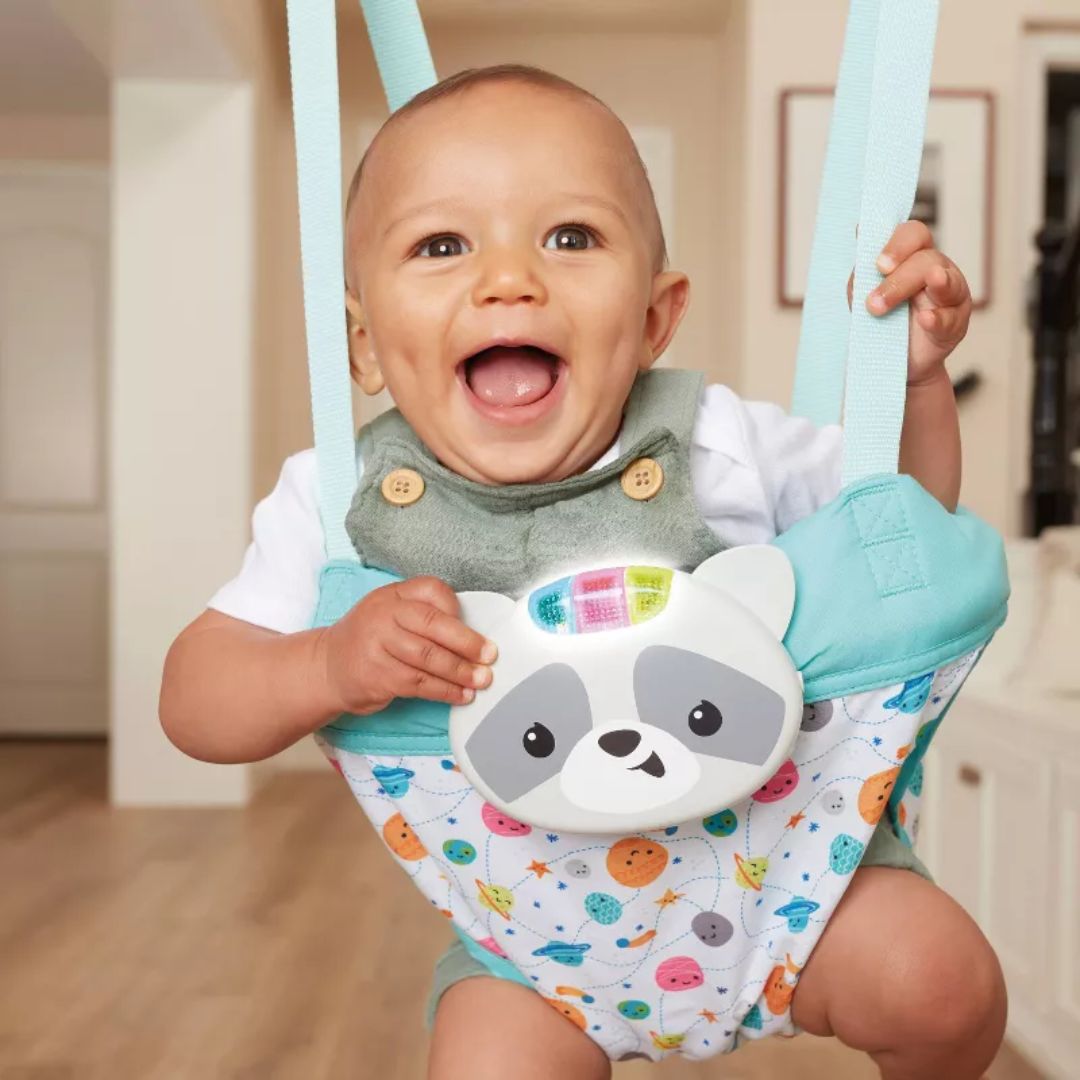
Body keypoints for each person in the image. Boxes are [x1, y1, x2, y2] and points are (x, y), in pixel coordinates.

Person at [160, 65, 1004, 1080]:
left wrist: (910, 385)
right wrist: (329, 666)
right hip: (537, 957)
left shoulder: (722, 443)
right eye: (442, 245)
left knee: (946, 986)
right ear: (365, 346)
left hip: (794, 894)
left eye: (570, 237)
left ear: (654, 320)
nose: (509, 279)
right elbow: (194, 702)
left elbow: (899, 537)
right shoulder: (334, 502)